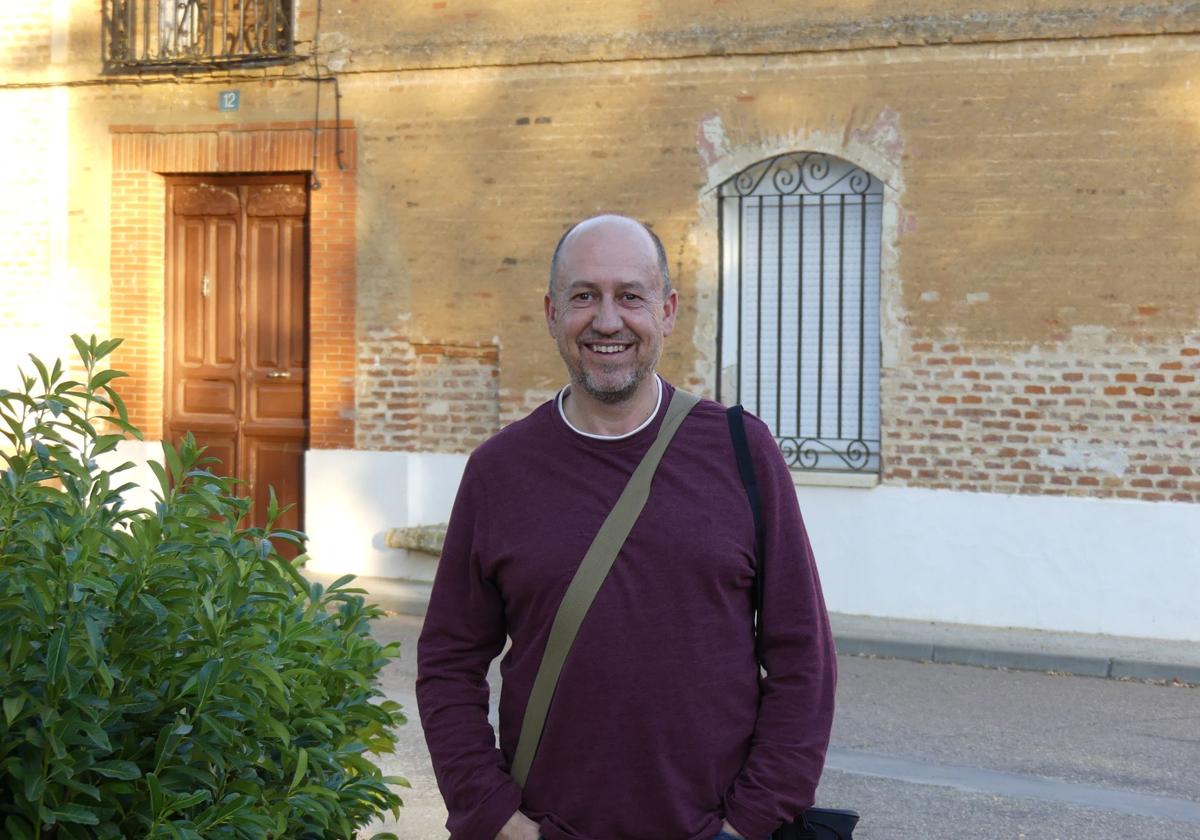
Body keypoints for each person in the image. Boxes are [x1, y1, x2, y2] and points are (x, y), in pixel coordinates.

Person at [416, 214, 837, 840]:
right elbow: (449, 662)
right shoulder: (499, 472)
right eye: (584, 295)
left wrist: (749, 823)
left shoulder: (741, 452)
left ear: (666, 311)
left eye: (630, 296)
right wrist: (499, 819)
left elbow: (804, 656)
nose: (607, 321)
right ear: (552, 313)